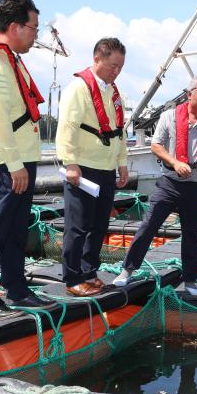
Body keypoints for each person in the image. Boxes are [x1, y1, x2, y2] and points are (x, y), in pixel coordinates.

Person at [0, 0, 54, 320]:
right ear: (16, 26)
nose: (36, 35)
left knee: (16, 229)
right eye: (34, 28)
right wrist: (15, 165)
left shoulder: (10, 60)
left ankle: (16, 289)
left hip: (19, 158)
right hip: (5, 161)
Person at [113, 75, 197, 295]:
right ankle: (127, 270)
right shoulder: (169, 116)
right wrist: (175, 162)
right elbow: (156, 145)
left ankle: (191, 281)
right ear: (189, 94)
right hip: (170, 183)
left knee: (192, 234)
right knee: (148, 226)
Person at [56, 38, 129, 297]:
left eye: (120, 66)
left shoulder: (114, 92)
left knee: (99, 224)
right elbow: (67, 128)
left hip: (106, 167)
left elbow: (119, 130)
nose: (116, 71)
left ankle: (89, 271)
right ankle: (72, 278)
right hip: (84, 168)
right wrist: (71, 164)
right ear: (97, 59)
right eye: (112, 65)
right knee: (77, 226)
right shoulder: (78, 88)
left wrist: (122, 163)